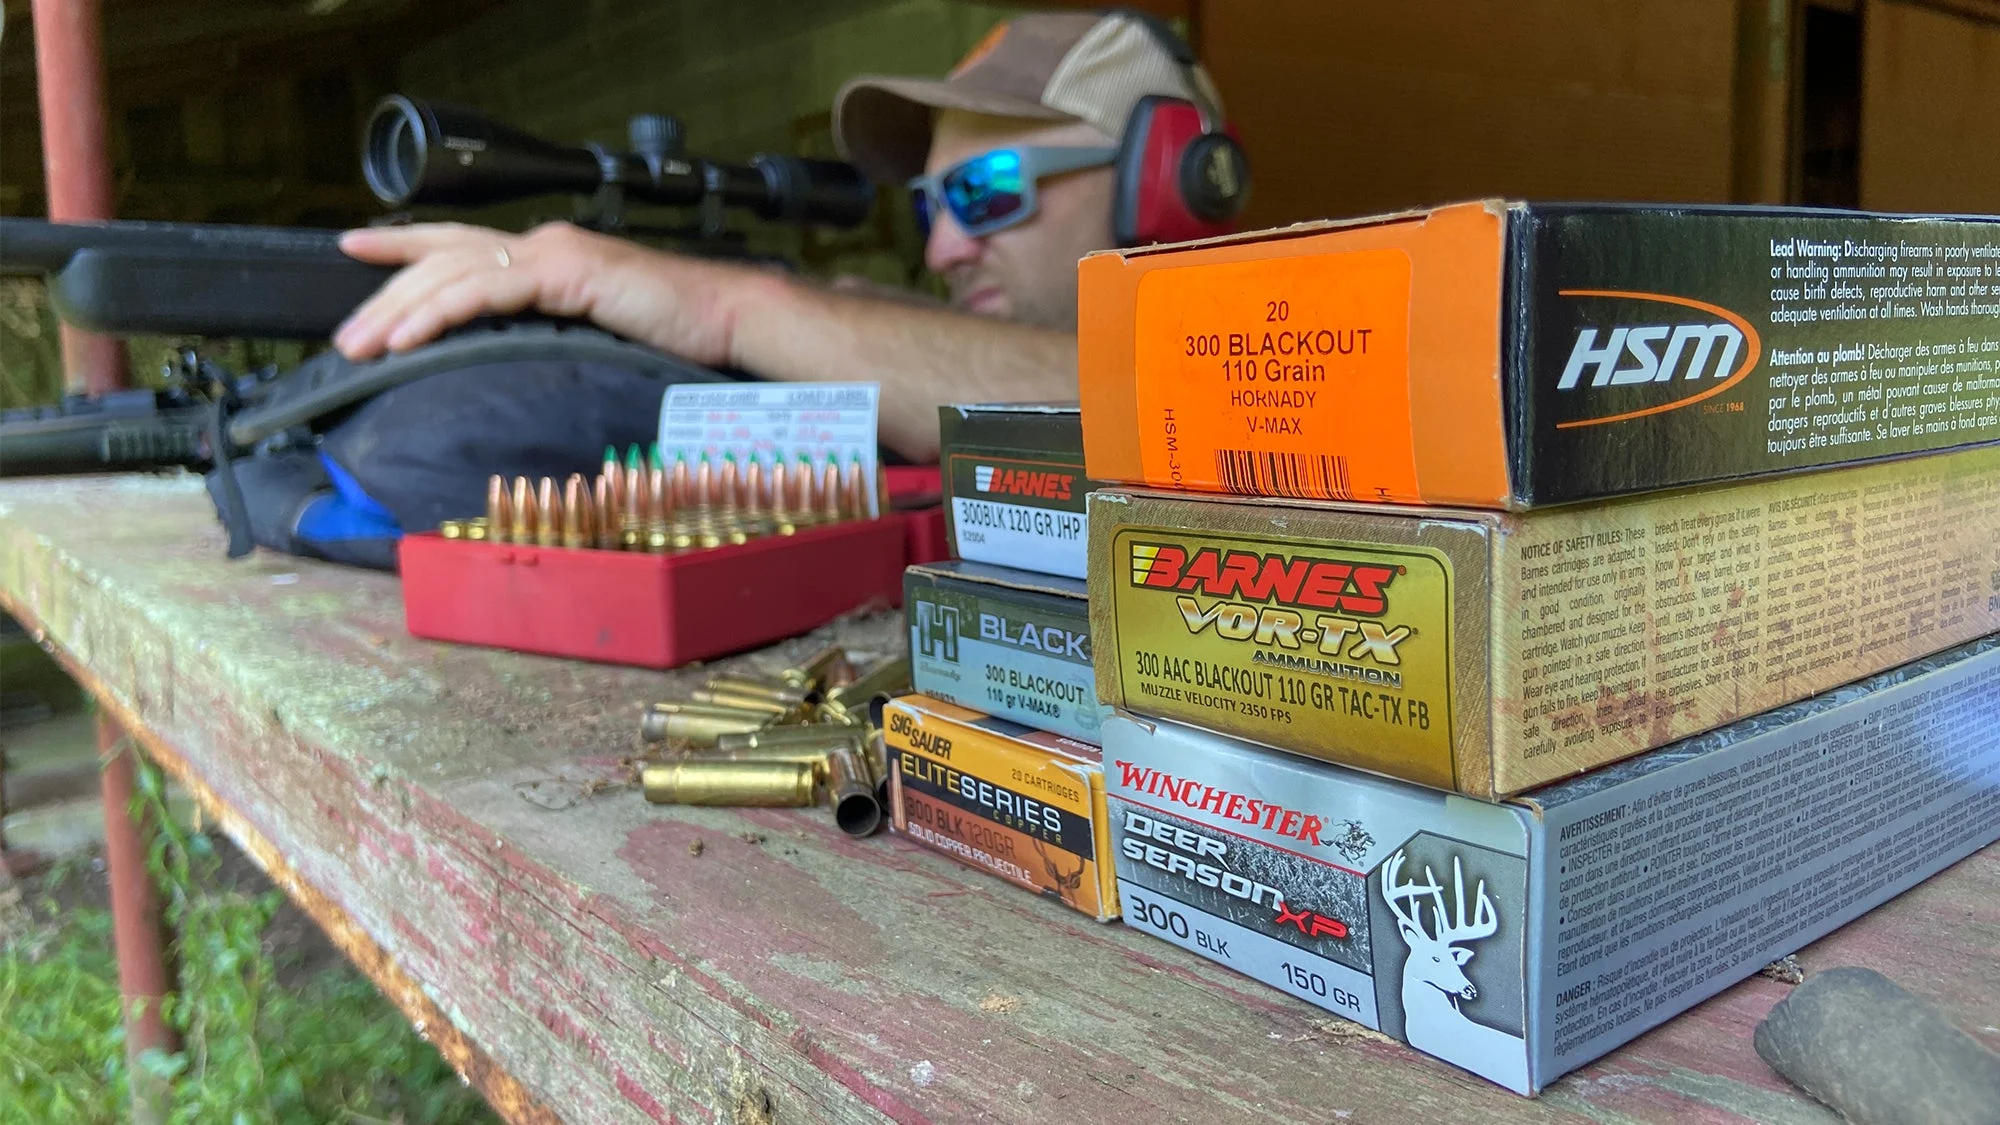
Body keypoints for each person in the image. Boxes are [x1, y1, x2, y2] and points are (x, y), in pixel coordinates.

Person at [330, 11, 1240, 461]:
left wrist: (728, 306)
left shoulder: (1286, 374)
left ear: (1162, 187)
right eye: (930, 205)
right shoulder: (945, 326)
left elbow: (1137, 404)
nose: (941, 250)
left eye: (986, 190)